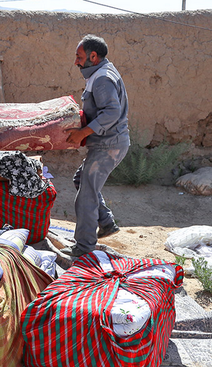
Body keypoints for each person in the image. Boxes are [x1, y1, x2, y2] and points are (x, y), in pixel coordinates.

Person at [62, 34, 130, 257]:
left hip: (108, 145)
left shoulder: (102, 79)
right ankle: (106, 222)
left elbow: (111, 112)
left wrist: (82, 132)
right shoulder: (100, 73)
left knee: (86, 196)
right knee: (81, 180)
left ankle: (84, 248)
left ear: (93, 56)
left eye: (79, 57)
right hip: (107, 142)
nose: (76, 62)